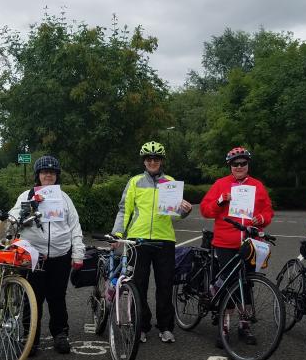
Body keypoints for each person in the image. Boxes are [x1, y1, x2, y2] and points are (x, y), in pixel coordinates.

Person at [112, 141, 192, 343]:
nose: (152, 162)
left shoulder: (171, 182)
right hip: (137, 240)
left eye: (156, 159)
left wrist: (185, 211)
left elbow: (174, 215)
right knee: (138, 285)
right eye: (149, 158)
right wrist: (117, 234)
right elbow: (124, 210)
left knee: (165, 285)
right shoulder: (135, 182)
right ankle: (141, 325)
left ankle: (165, 327)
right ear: (144, 161)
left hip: (164, 239)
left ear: (161, 161)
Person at [8, 155, 85, 355]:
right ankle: (30, 337)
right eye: (44, 172)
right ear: (38, 175)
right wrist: (28, 209)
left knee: (57, 296)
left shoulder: (65, 198)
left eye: (52, 172)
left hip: (60, 255)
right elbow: (12, 219)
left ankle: (60, 334)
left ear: (57, 176)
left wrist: (78, 253)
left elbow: (74, 226)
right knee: (32, 297)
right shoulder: (26, 195)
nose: (48, 175)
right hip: (34, 255)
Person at [200, 146, 274, 348]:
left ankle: (244, 325)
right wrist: (220, 200)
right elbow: (205, 210)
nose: (240, 167)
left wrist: (261, 219)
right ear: (230, 166)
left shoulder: (257, 186)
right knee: (231, 283)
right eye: (235, 164)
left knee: (247, 284)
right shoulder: (220, 184)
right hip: (226, 243)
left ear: (248, 165)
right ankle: (223, 328)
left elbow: (268, 211)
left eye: (243, 163)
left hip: (250, 243)